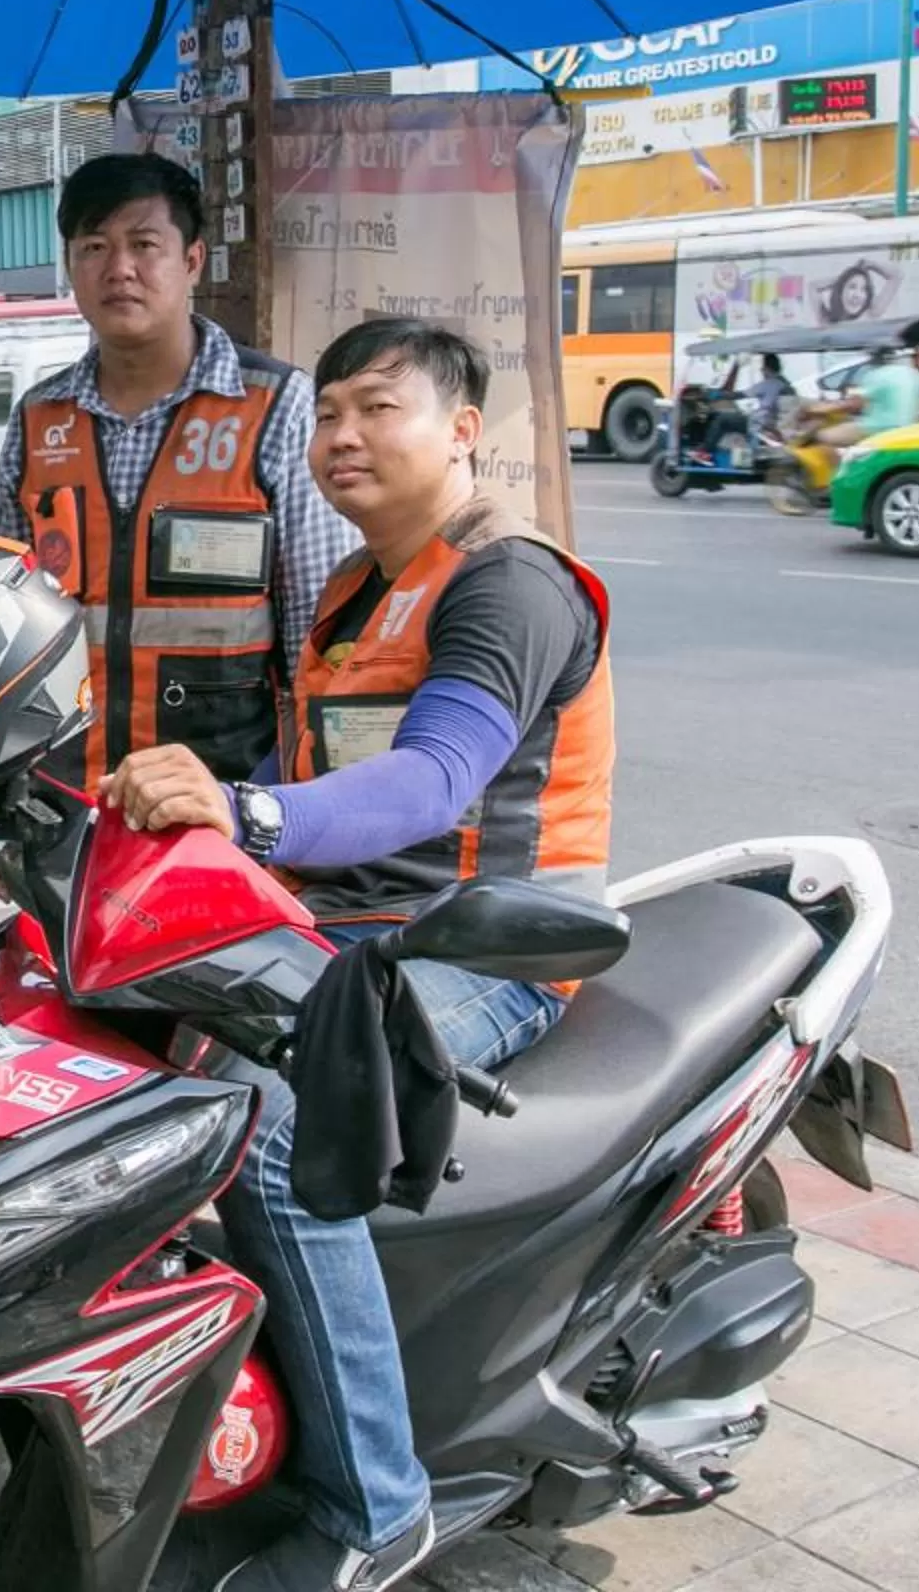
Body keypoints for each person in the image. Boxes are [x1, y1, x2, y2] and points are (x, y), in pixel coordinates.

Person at [105, 318, 612, 1592]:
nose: (341, 436)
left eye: (378, 408)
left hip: (490, 946)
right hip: (350, 937)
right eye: (328, 413)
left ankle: (377, 1507)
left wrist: (249, 814)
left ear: (460, 432)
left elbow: (435, 777)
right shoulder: (355, 587)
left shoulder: (511, 583)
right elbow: (304, 777)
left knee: (273, 1137)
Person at [0, 152, 355, 791]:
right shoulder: (37, 420)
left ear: (192, 261)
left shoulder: (275, 406)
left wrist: (300, 809)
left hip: (225, 801)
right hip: (66, 798)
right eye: (93, 246)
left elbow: (318, 639)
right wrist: (1, 793)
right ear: (71, 265)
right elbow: (3, 632)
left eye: (144, 244)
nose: (118, 268)